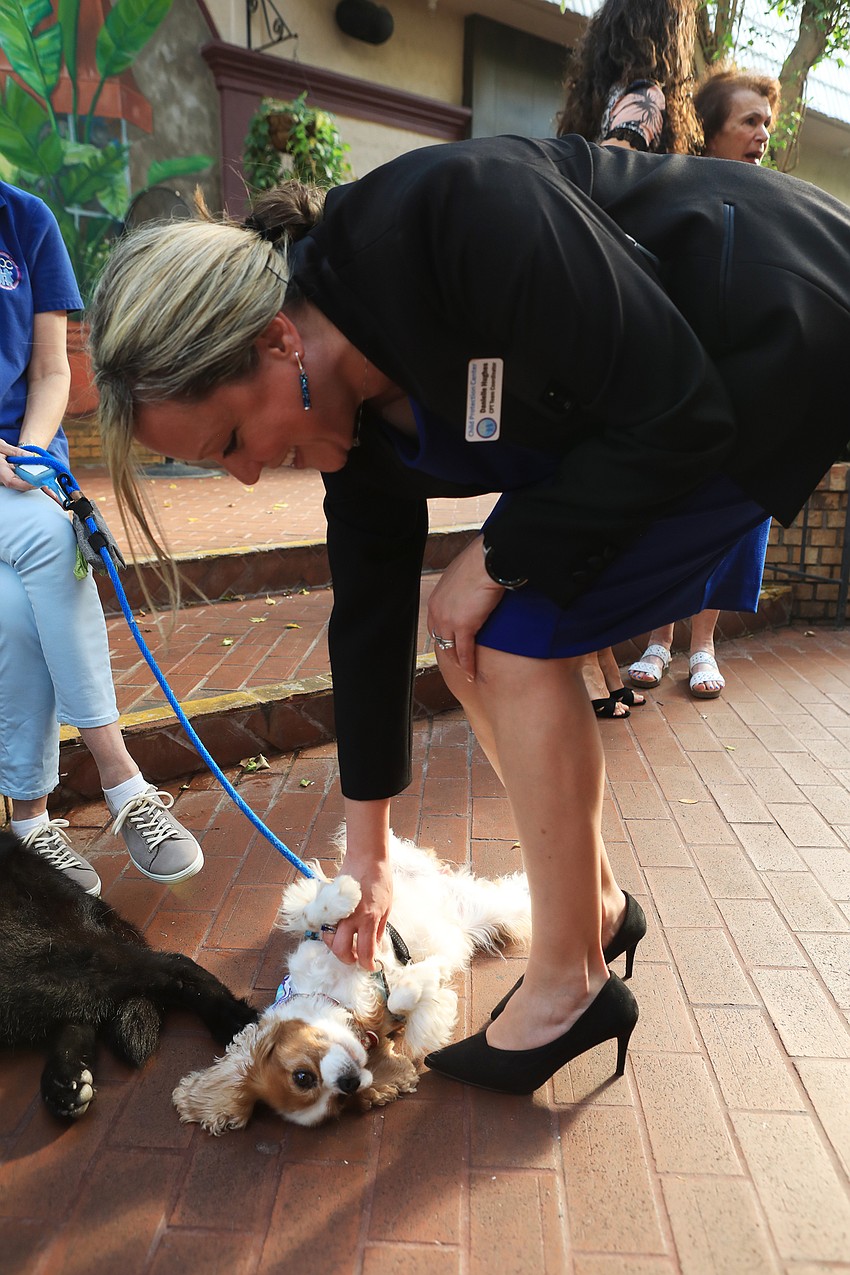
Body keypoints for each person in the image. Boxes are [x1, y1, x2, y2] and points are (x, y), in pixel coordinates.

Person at [87, 135, 850, 1094]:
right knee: (469, 643)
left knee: (513, 638)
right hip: (660, 416)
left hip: (769, 340)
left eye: (233, 439)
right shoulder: (350, 433)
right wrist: (368, 861)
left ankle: (570, 984)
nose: (244, 473)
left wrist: (492, 553)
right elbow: (367, 621)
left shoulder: (458, 219)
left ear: (280, 341)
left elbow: (676, 408)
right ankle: (598, 911)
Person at [0, 180, 204, 897]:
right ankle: (122, 780)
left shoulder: (25, 221)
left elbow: (53, 369)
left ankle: (28, 821)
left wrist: (26, 452)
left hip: (24, 466)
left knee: (20, 607)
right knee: (50, 554)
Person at [556, 0, 704, 717]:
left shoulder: (589, 98)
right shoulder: (645, 99)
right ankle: (588, 678)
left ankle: (604, 679)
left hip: (576, 325)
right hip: (620, 326)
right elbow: (612, 190)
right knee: (597, 523)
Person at [628, 67, 782, 699]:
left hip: (742, 391)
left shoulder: (776, 202)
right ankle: (658, 640)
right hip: (673, 385)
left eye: (767, 124)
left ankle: (703, 646)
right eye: (749, 121)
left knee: (727, 517)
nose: (762, 134)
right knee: (667, 512)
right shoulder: (676, 193)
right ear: (711, 129)